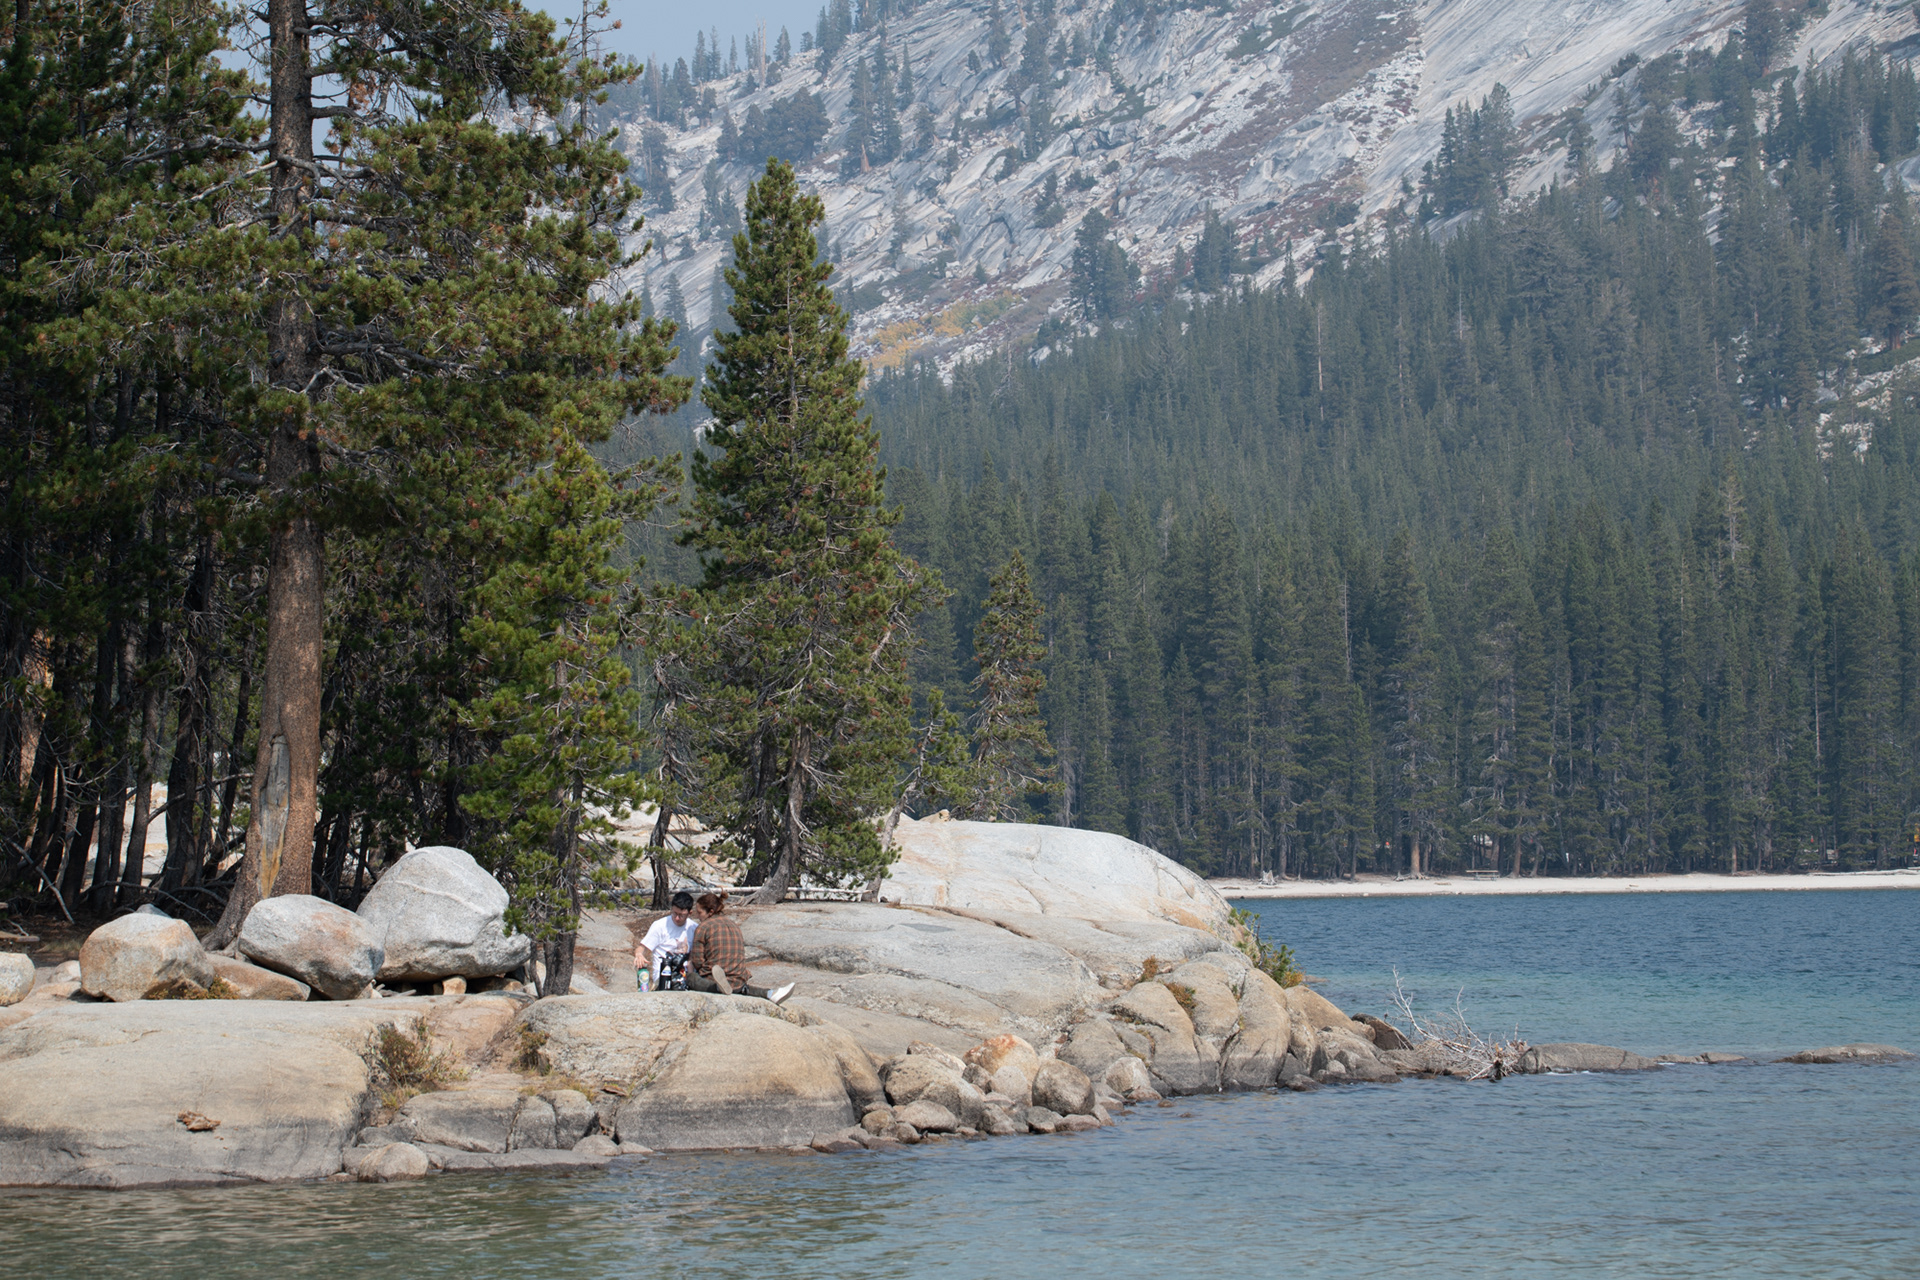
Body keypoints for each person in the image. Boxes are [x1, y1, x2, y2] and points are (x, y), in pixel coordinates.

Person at [685, 892, 794, 1004]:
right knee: (743, 988)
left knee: (691, 978)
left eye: (699, 912)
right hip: (738, 980)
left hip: (713, 979)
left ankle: (718, 988)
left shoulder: (703, 927)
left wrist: (690, 968)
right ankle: (771, 993)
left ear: (710, 912)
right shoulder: (734, 925)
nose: (697, 916)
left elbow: (698, 961)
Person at [635, 890, 698, 991]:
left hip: (686, 976)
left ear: (690, 913)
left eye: (681, 915)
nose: (677, 918)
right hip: (663, 976)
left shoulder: (694, 928)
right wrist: (639, 955)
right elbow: (642, 947)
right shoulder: (660, 925)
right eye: (674, 913)